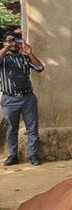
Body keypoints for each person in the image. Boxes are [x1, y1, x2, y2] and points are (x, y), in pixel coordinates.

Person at [0, 30, 44, 166]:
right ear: (4, 42)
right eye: (10, 40)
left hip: (28, 97)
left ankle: (33, 155)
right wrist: (6, 47)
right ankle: (13, 156)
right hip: (9, 99)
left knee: (32, 128)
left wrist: (30, 53)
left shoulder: (24, 58)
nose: (13, 43)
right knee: (11, 128)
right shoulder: (3, 60)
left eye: (15, 40)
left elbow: (40, 68)